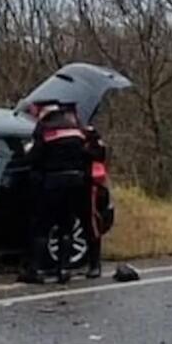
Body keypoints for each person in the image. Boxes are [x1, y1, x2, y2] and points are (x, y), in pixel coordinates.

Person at [19, 102, 104, 283]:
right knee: (66, 226)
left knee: (42, 226)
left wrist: (26, 154)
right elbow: (94, 154)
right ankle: (64, 270)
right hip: (76, 183)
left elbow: (34, 157)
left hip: (53, 184)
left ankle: (36, 270)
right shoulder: (77, 131)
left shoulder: (45, 129)